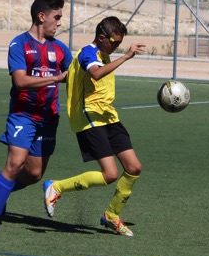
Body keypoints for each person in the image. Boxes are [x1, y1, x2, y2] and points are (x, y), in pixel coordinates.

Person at [42, 16, 146, 237]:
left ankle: (111, 215)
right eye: (115, 42)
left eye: (120, 43)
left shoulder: (103, 54)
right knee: (110, 175)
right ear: (101, 37)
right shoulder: (88, 53)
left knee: (134, 168)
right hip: (89, 118)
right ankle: (56, 187)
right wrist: (126, 56)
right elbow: (96, 74)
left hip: (108, 116)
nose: (117, 46)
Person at [0, 0, 71, 231]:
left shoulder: (61, 48)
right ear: (42, 17)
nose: (60, 23)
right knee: (16, 162)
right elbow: (20, 81)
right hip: (23, 115)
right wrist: (55, 78)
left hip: (49, 118)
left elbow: (75, 75)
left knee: (34, 174)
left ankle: (2, 184)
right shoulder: (19, 44)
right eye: (57, 17)